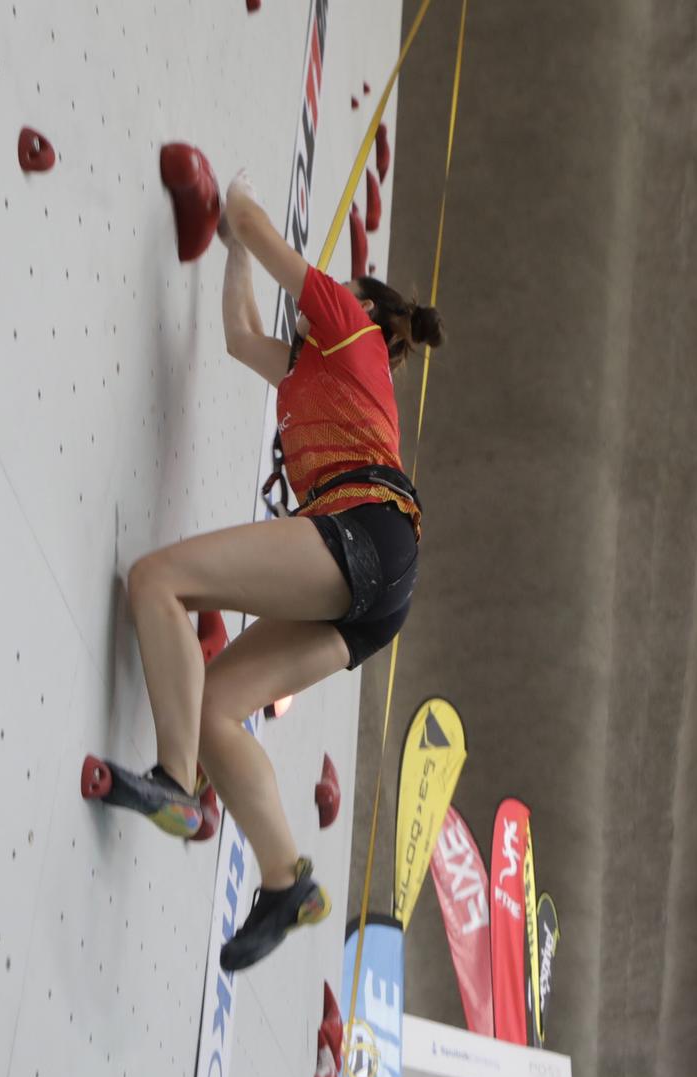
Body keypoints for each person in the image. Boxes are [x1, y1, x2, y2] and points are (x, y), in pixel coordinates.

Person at [91, 172, 444, 973]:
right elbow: (238, 333)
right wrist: (230, 253)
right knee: (216, 705)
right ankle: (286, 879)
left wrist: (236, 205)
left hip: (365, 532)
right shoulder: (311, 370)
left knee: (157, 580)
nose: (312, 307)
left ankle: (176, 782)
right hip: (379, 585)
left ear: (365, 312)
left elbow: (252, 221)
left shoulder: (349, 326)